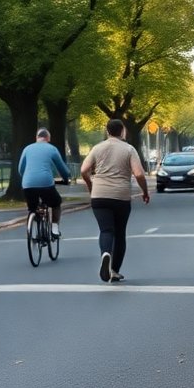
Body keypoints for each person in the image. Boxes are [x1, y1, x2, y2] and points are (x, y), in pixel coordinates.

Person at [80, 119, 150, 283]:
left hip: (99, 195)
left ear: (107, 131)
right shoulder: (129, 149)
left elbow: (84, 170)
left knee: (106, 230)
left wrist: (91, 184)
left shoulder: (97, 148)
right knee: (119, 234)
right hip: (120, 196)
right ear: (122, 131)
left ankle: (105, 253)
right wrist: (145, 191)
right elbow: (139, 174)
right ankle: (114, 270)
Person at [17, 128, 72, 237]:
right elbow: (62, 169)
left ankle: (34, 222)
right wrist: (66, 178)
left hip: (28, 184)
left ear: (36, 138)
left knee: (33, 208)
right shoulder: (52, 149)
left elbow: (20, 169)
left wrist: (27, 178)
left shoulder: (27, 149)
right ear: (48, 138)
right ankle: (55, 228)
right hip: (45, 183)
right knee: (56, 203)